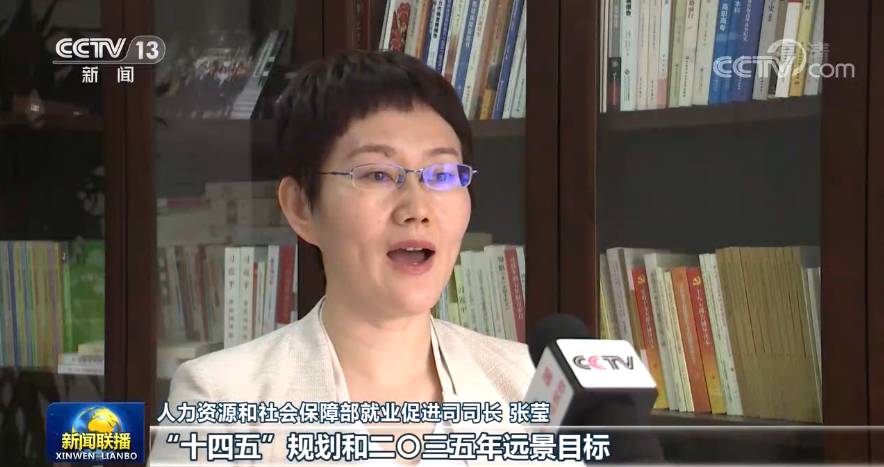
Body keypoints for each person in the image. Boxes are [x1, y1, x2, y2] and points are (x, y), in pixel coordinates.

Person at [152, 50, 535, 466]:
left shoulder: (531, 385)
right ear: (301, 207)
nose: (417, 208)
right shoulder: (221, 402)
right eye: (377, 174)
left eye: (442, 174)